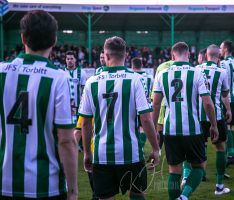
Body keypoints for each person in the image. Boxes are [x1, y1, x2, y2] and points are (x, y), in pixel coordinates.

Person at [0, 10, 78, 199]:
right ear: (54, 40)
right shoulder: (58, 77)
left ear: (23, 38)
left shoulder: (1, 72)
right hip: (45, 185)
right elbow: (66, 140)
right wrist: (73, 191)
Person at [79, 36, 160, 200]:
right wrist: (156, 148)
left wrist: (87, 153)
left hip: (101, 154)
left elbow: (86, 122)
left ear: (106, 56)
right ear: (125, 56)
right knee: (137, 194)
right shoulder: (135, 80)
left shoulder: (91, 82)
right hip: (130, 152)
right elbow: (145, 119)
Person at [152, 42, 219, 200]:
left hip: (170, 129)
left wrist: (155, 129)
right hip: (192, 129)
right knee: (199, 167)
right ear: (188, 55)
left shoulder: (162, 74)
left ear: (172, 55)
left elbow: (155, 104)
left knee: (174, 171)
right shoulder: (196, 73)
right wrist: (214, 125)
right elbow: (208, 103)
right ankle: (184, 196)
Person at [198, 44, 232, 195]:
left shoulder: (196, 69)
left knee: (198, 146)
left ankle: (191, 176)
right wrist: (229, 109)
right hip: (216, 116)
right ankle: (219, 186)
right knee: (220, 148)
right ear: (219, 56)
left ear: (206, 55)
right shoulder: (222, 72)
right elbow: (225, 93)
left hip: (198, 116)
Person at [182, 48, 208, 184]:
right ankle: (201, 173)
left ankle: (186, 176)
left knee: (175, 167)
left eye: (198, 55)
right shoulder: (197, 71)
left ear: (203, 56)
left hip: (192, 116)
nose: (197, 57)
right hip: (206, 115)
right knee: (203, 146)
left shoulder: (196, 69)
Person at [152, 60, 175, 153]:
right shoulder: (183, 66)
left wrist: (152, 98)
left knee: (160, 126)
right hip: (175, 102)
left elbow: (155, 87)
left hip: (161, 101)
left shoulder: (161, 66)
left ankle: (159, 150)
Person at [131, 57, 154, 147]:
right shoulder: (150, 77)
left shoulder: (131, 77)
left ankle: (136, 146)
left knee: (133, 128)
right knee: (142, 128)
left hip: (133, 106)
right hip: (146, 106)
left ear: (132, 65)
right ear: (142, 65)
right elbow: (152, 91)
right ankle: (141, 147)